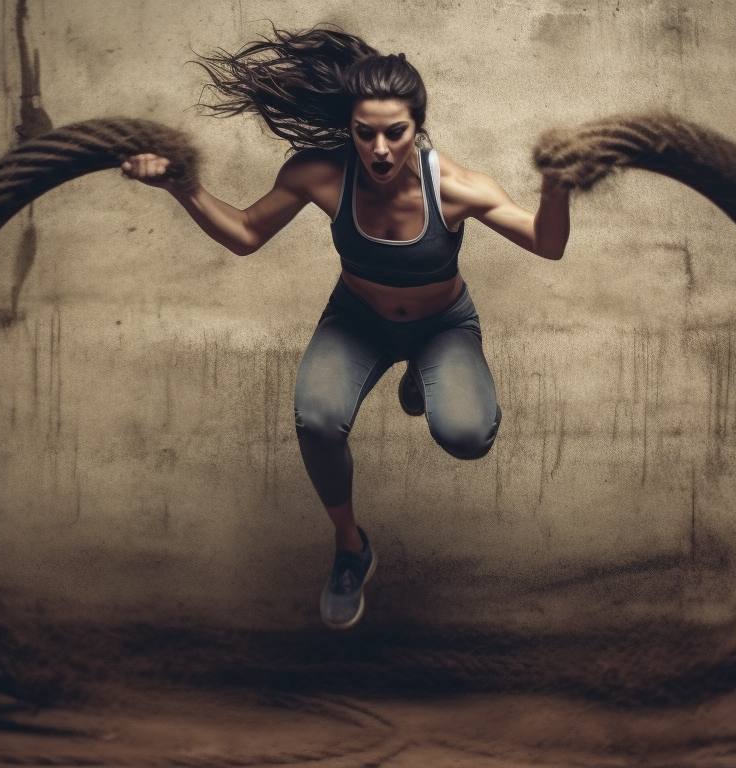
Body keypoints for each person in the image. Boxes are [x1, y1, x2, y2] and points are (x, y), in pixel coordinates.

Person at [120, 26, 569, 629]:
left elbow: (547, 242)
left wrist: (557, 183)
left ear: (419, 127)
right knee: (317, 418)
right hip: (358, 322)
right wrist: (185, 188)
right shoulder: (321, 175)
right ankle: (352, 548)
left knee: (467, 436)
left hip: (441, 326)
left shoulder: (458, 189)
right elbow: (249, 234)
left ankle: (423, 380)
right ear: (349, 128)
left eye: (396, 133)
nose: (380, 149)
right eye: (365, 133)